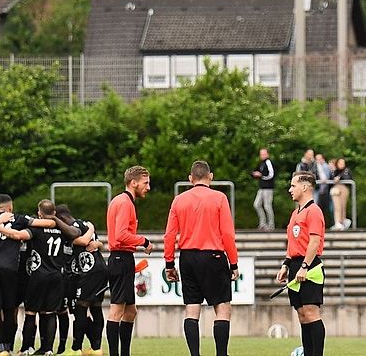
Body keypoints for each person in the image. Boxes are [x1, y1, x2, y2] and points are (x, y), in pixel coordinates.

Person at [164, 160, 240, 356]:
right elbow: (228, 234)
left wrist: (169, 264)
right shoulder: (219, 198)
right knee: (222, 309)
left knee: (191, 310)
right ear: (211, 176)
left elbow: (170, 235)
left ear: (190, 179)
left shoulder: (179, 200)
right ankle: (221, 354)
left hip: (187, 257)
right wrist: (233, 263)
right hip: (213, 256)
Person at [0, 199, 82, 356]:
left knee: (31, 313)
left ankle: (26, 348)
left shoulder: (37, 229)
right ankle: (48, 349)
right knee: (50, 313)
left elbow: (18, 235)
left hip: (39, 275)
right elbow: (76, 234)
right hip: (57, 276)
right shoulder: (63, 229)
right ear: (54, 213)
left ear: (39, 213)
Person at [0, 194, 56, 356]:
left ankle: (0, 348)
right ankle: (8, 347)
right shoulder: (18, 218)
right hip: (10, 269)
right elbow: (49, 222)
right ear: (10, 208)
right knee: (9, 309)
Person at [275, 172, 326, 356]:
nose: (290, 189)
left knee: (311, 313)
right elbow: (293, 243)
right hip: (296, 265)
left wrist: (305, 266)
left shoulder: (314, 211)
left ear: (304, 187)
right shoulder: (296, 213)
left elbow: (314, 242)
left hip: (309, 267)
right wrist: (286, 264)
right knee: (302, 315)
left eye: (293, 185)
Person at [106, 166, 154, 356]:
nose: (148, 187)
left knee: (130, 311)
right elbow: (121, 235)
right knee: (117, 310)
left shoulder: (120, 200)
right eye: (146, 183)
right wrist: (144, 241)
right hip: (120, 258)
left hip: (122, 259)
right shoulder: (125, 203)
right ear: (133, 183)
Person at [58, 204, 107, 356]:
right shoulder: (85, 224)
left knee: (81, 308)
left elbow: (84, 242)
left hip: (89, 272)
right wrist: (95, 236)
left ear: (61, 219)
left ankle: (76, 349)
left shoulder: (72, 229)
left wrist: (93, 236)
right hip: (98, 270)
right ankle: (96, 348)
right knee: (95, 307)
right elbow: (99, 244)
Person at [252, 148, 277, 230]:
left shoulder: (268, 162)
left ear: (267, 154)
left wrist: (262, 176)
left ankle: (271, 224)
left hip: (268, 188)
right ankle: (263, 223)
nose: (262, 156)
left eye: (263, 154)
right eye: (261, 154)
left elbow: (271, 175)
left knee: (267, 206)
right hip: (261, 187)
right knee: (256, 204)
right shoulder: (261, 163)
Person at [331, 158, 353, 230]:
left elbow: (349, 178)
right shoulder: (334, 171)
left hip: (344, 188)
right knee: (337, 206)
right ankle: (337, 222)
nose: (341, 164)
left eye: (343, 163)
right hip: (336, 188)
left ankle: (342, 221)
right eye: (340, 163)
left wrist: (340, 178)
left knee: (343, 206)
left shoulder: (346, 171)